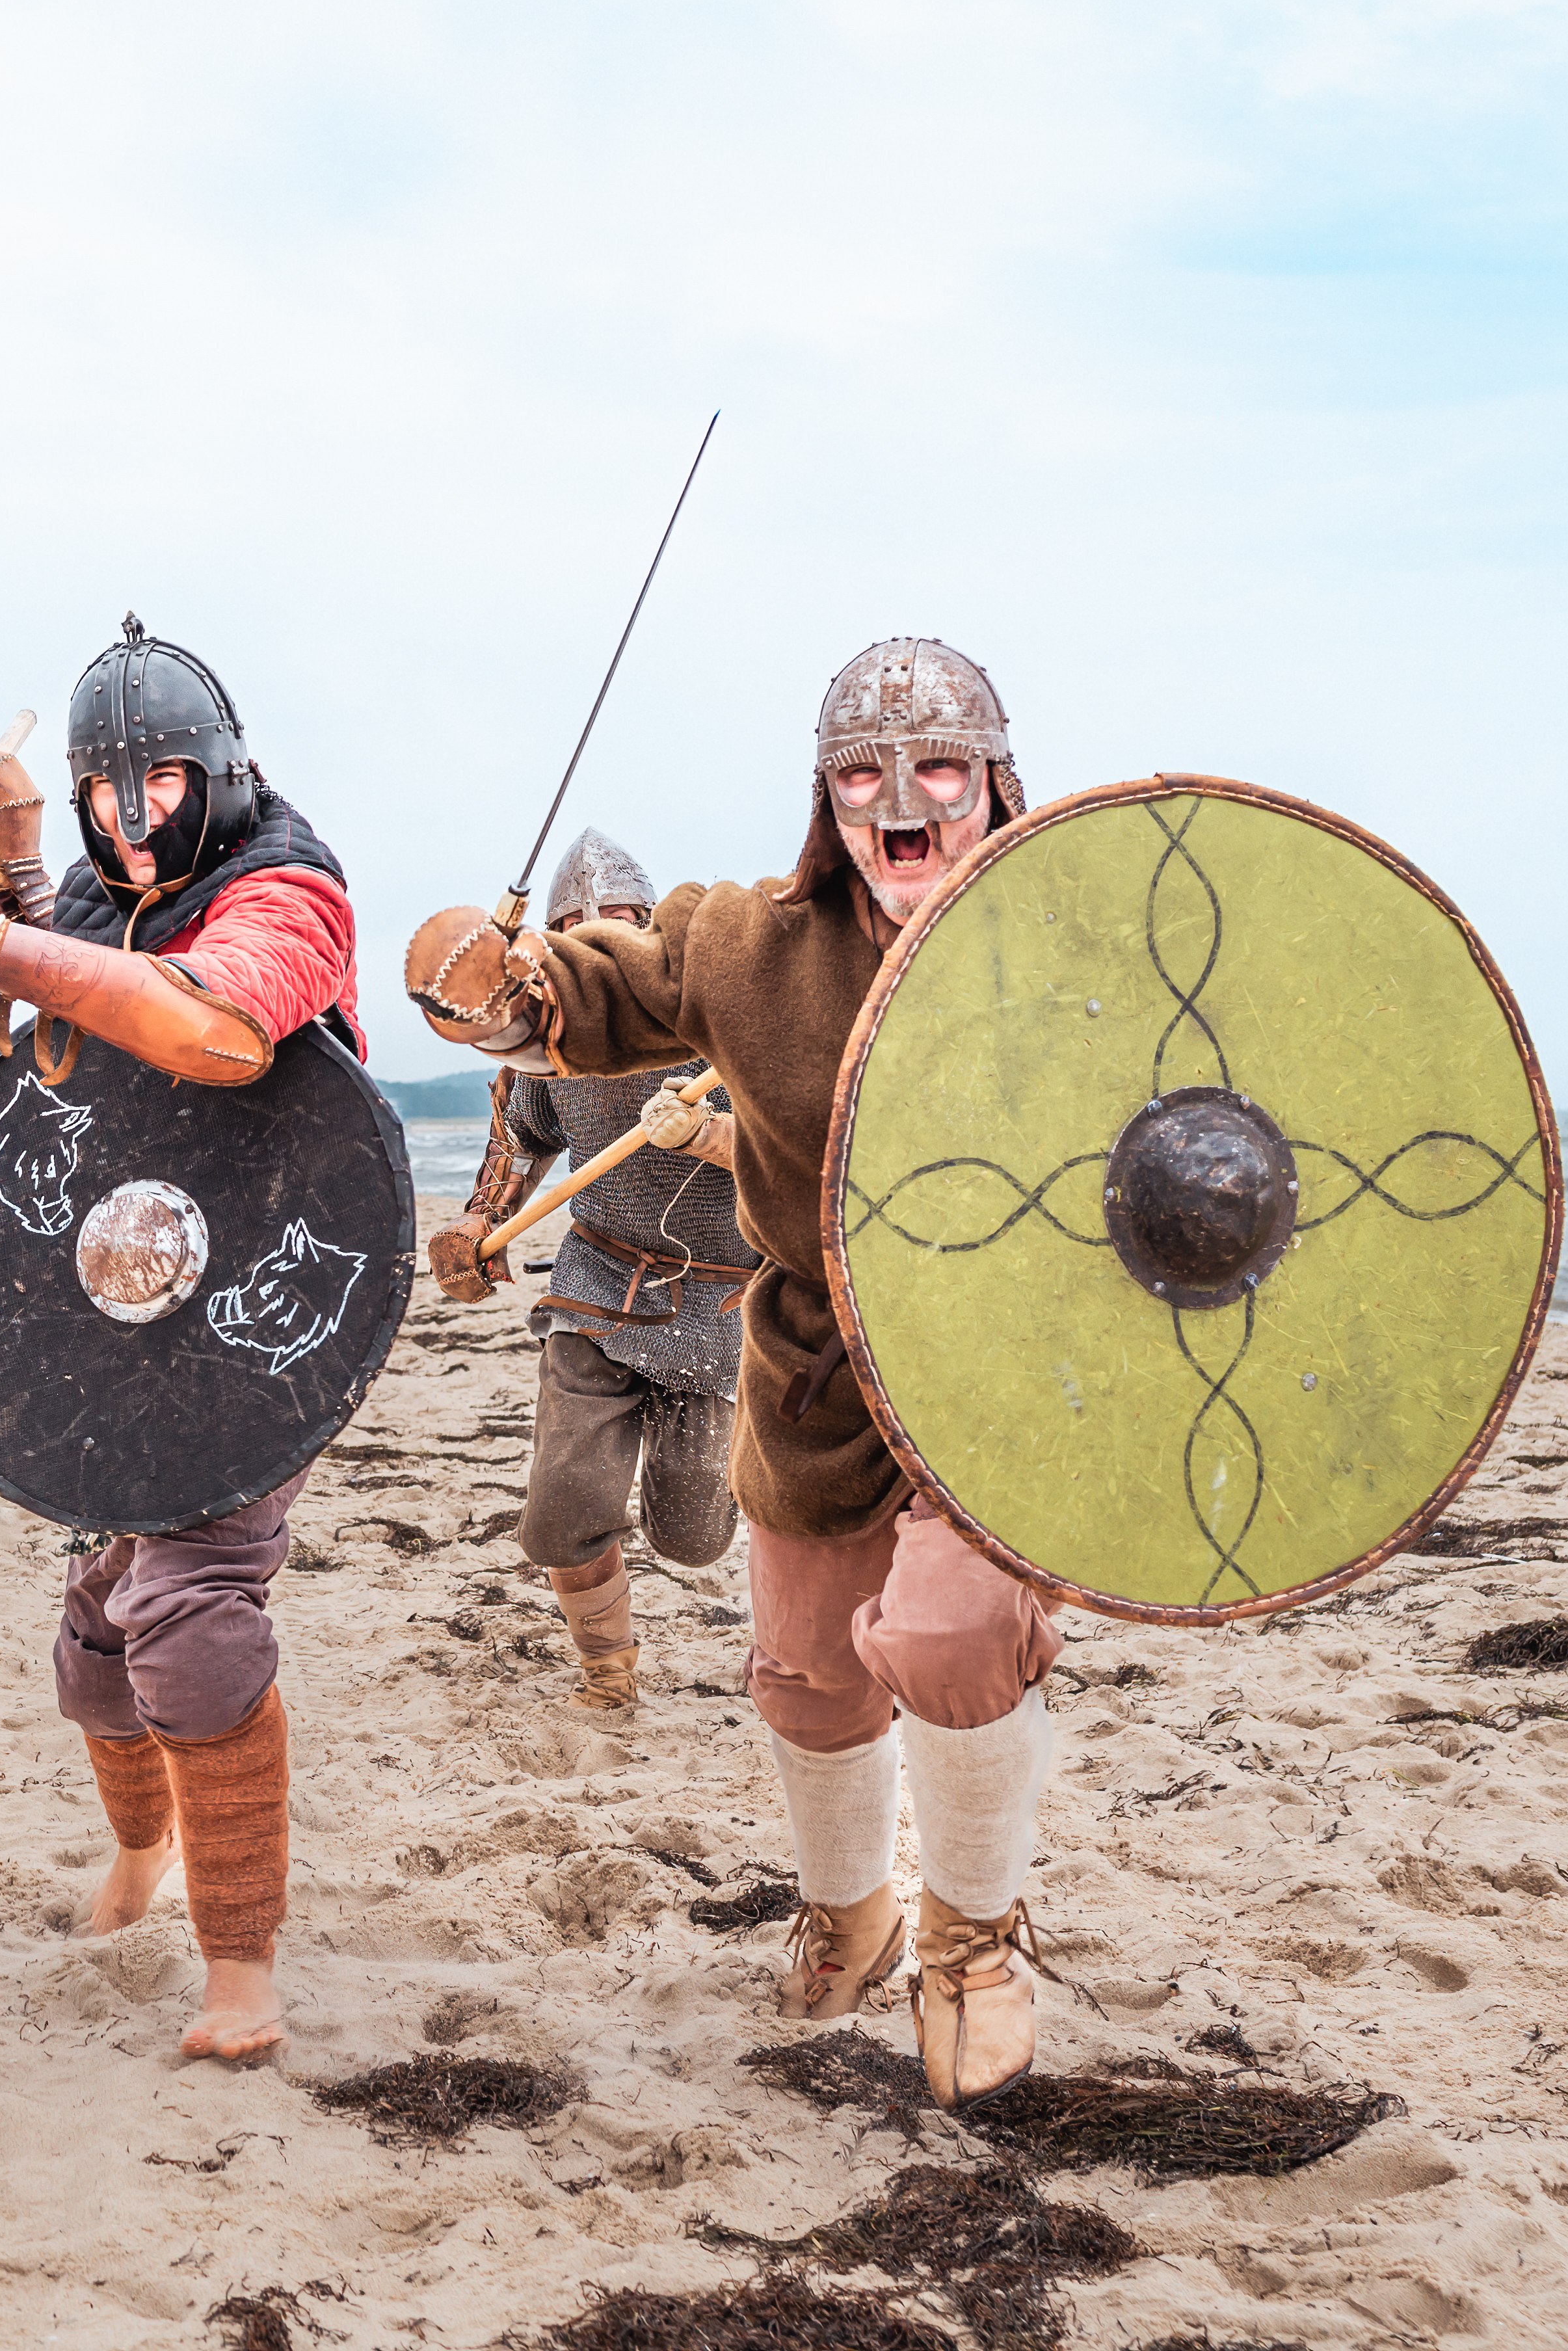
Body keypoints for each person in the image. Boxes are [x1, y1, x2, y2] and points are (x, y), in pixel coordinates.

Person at [403, 637, 1061, 2106]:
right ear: (826, 799)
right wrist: (504, 994)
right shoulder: (753, 946)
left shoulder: (1082, 943)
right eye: (864, 776)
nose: (904, 803)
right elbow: (600, 994)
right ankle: (851, 1911)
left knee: (955, 1636)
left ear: (996, 783)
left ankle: (970, 1939)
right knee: (809, 1677)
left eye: (937, 768)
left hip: (1011, 1367)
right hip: (814, 1365)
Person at [0, 617, 364, 2062]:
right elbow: (59, 1012)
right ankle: (142, 1851)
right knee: (95, 1646)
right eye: (102, 797)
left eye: (163, 786)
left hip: (269, 1299)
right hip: (123, 1291)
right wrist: (7, 851)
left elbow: (210, 1023)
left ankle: (241, 1975)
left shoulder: (288, 889)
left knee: (190, 1617)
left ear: (223, 774)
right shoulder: (104, 883)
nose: (133, 824)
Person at [428, 828, 749, 1714]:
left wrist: (711, 1134)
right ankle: (609, 1675)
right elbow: (520, 1137)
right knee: (566, 1509)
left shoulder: (718, 1016)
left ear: (648, 924)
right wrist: (479, 1222)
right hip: (599, 1284)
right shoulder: (556, 1037)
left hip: (722, 1302)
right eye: (575, 924)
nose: (596, 935)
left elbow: (803, 1149)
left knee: (694, 1535)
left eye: (617, 918)